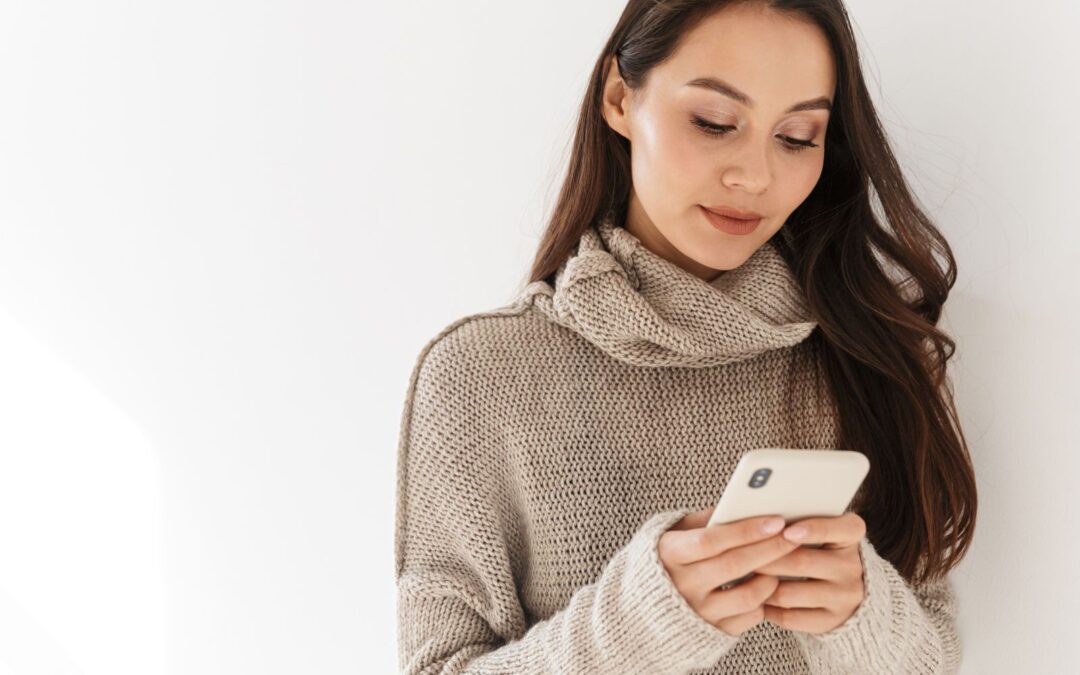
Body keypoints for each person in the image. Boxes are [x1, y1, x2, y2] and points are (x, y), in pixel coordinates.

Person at [393, 1, 978, 673]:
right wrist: (638, 626)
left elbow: (932, 656)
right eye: (714, 122)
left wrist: (860, 618)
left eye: (797, 136)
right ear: (618, 97)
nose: (755, 176)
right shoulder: (480, 373)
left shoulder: (872, 348)